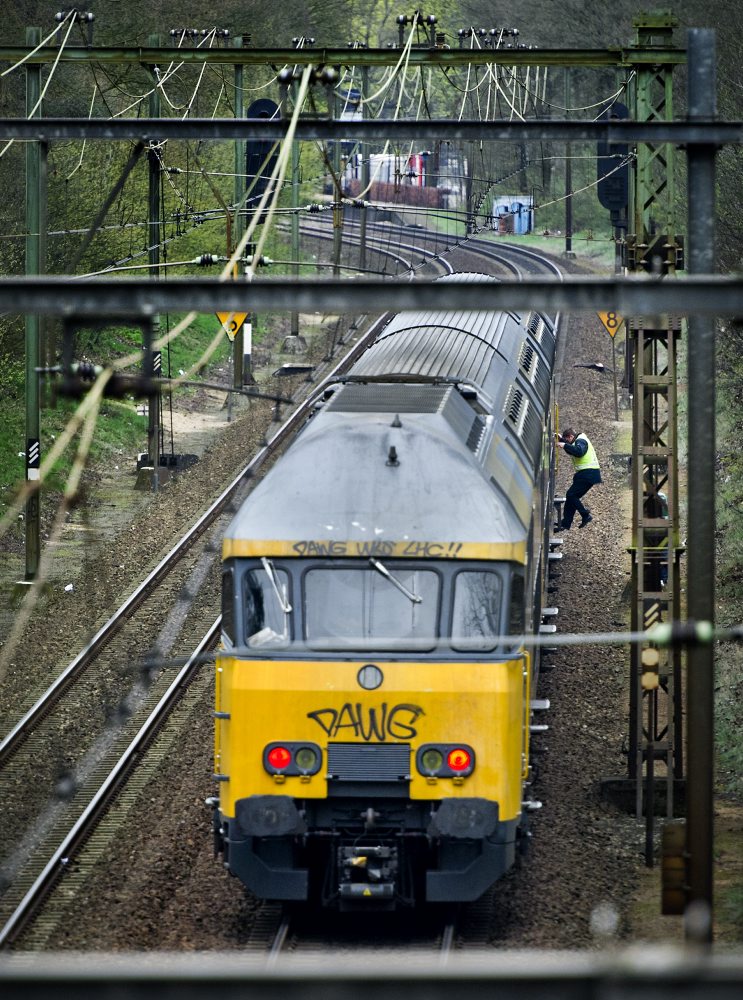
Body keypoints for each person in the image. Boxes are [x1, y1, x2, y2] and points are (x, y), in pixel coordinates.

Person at [555, 427, 601, 530]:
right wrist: (562, 440)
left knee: (571, 495)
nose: (568, 443)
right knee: (571, 496)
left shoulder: (581, 440)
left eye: (567, 440)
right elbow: (572, 450)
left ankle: (585, 515)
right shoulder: (577, 441)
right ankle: (565, 523)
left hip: (588, 474)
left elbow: (579, 452)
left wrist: (564, 444)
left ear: (571, 436)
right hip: (585, 474)